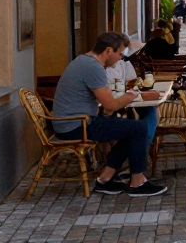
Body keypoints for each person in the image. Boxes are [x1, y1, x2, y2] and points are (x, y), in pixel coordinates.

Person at [52, 32, 166, 197]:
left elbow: (107, 105)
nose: (121, 58)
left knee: (131, 128)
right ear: (108, 51)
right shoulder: (93, 67)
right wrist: (131, 95)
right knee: (139, 127)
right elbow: (110, 104)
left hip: (72, 122)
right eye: (119, 53)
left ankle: (105, 179)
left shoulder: (83, 61)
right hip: (76, 125)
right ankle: (137, 182)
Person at [105, 34, 158, 148]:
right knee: (137, 126)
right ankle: (141, 145)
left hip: (124, 98)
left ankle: (145, 143)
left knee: (149, 110)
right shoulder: (104, 68)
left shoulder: (122, 63)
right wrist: (134, 94)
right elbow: (114, 94)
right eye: (120, 53)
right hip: (108, 107)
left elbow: (131, 82)